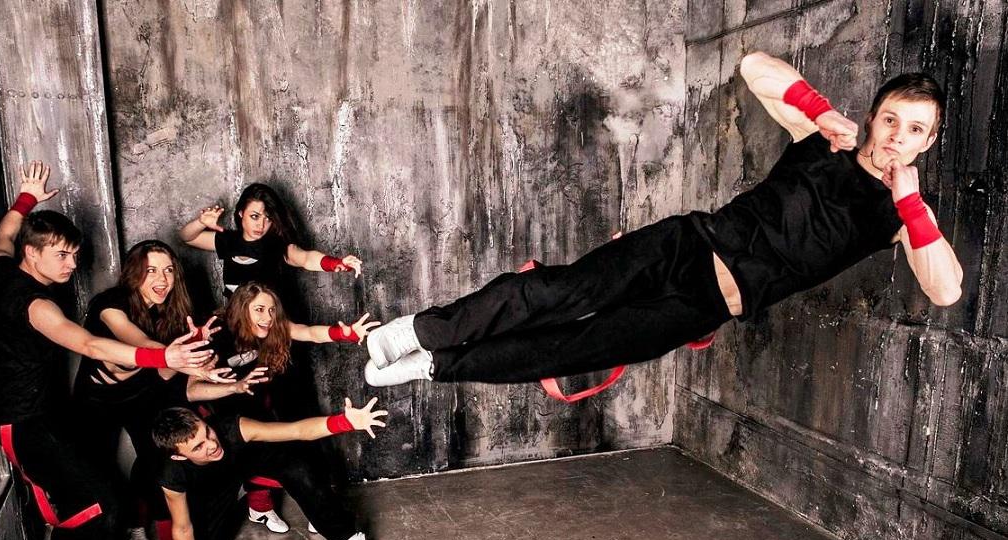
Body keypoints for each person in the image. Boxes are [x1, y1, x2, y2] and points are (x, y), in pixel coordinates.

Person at [362, 52, 963, 387]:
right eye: (891, 120)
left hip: (703, 308)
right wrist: (817, 107)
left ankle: (433, 365)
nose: (896, 137)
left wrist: (911, 205)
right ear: (874, 116)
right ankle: (419, 331)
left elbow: (946, 290)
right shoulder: (826, 139)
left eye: (914, 130)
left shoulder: (905, 217)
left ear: (928, 141)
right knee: (556, 292)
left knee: (570, 350)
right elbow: (754, 65)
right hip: (685, 246)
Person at [0, 162, 211, 540]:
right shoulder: (36, 304)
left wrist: (26, 198)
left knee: (86, 496)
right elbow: (88, 344)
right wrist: (163, 355)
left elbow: (3, 234)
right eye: (62, 256)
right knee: (102, 505)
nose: (71, 265)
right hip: (23, 420)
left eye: (75, 255)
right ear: (32, 254)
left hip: (34, 412)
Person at [72, 240, 226, 540]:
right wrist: (176, 356)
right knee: (96, 469)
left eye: (168, 270)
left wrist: (196, 350)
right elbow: (136, 340)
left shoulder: (173, 311)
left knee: (157, 458)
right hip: (97, 399)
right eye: (151, 270)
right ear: (134, 273)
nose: (162, 279)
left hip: (142, 394)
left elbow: (165, 372)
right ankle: (128, 523)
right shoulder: (110, 304)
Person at [148, 399, 388, 540]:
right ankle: (249, 494)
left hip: (256, 462)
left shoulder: (233, 428)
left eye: (207, 432)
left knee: (300, 470)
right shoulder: (171, 474)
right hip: (219, 486)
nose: (212, 444)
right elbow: (182, 527)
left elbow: (297, 430)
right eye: (198, 447)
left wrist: (344, 422)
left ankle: (349, 538)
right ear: (179, 456)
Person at [185, 281, 379, 535]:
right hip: (226, 429)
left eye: (271, 310)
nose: (267, 317)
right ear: (242, 309)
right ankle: (259, 507)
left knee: (302, 455)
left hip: (259, 413)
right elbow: (192, 391)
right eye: (259, 310)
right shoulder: (217, 335)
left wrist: (346, 333)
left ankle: (327, 519)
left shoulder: (273, 327)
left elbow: (308, 332)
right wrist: (234, 387)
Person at [178, 182, 363, 297]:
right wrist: (200, 222)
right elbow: (187, 238)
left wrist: (336, 263)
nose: (261, 225)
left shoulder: (277, 246)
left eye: (268, 218)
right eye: (255, 216)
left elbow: (306, 258)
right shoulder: (228, 241)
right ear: (241, 213)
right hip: (236, 327)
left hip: (269, 328)